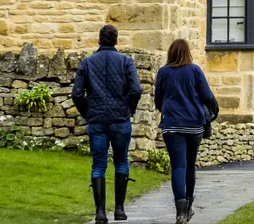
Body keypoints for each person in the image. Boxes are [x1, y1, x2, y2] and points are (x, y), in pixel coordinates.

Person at [72, 24, 142, 223]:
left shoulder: (87, 63)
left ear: (99, 41)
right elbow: (136, 90)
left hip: (97, 120)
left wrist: (88, 112)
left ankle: (100, 212)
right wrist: (129, 108)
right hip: (120, 119)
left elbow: (77, 94)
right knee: (121, 161)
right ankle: (119, 209)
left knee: (99, 165)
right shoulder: (125, 62)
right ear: (117, 41)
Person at [154, 38, 218, 224]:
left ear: (171, 53)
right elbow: (207, 96)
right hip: (193, 125)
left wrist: (167, 109)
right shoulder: (194, 71)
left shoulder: (164, 72)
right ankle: (188, 205)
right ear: (188, 53)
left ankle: (180, 212)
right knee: (190, 166)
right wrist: (212, 111)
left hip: (172, 125)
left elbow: (158, 99)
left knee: (178, 167)